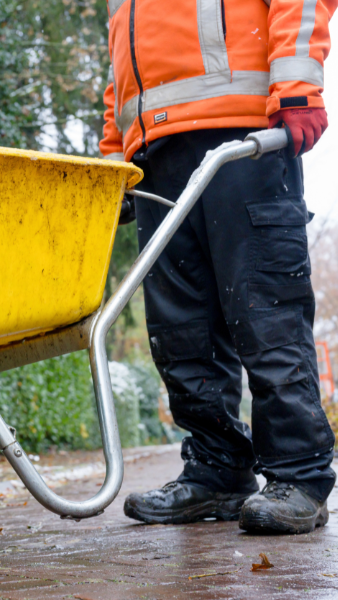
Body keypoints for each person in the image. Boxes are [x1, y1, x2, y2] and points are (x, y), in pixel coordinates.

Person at [100, 0, 337, 533]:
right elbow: (123, 61)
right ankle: (217, 470)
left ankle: (299, 475)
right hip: (153, 153)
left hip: (241, 137)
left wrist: (297, 87)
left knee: (265, 313)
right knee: (180, 329)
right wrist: (115, 154)